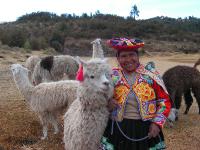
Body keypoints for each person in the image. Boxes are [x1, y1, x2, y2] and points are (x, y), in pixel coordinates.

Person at [101, 37, 171, 150]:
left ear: (138, 56)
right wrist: (107, 104)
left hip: (147, 128)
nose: (128, 59)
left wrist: (157, 123)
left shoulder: (151, 75)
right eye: (123, 56)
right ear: (117, 58)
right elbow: (100, 99)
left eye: (132, 55)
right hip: (118, 128)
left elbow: (164, 101)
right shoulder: (111, 76)